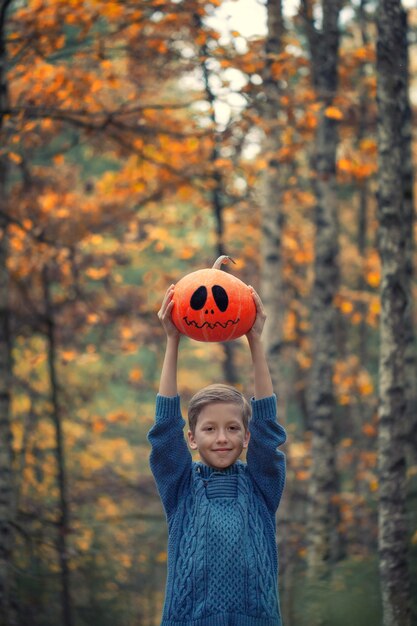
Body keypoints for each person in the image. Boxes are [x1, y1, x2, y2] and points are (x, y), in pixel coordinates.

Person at [148, 284, 287, 626]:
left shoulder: (261, 486)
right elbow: (165, 431)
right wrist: (172, 340)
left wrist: (255, 340)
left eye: (233, 428)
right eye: (210, 429)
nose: (222, 438)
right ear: (192, 439)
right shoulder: (180, 488)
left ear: (246, 437)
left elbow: (268, 426)